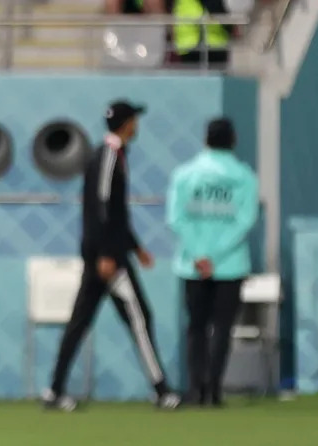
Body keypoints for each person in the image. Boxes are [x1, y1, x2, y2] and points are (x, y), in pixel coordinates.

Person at [42, 100, 181, 412]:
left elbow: (116, 211)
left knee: (79, 322)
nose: (137, 125)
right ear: (127, 123)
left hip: (106, 252)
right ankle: (161, 390)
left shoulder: (114, 155)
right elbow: (102, 205)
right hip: (109, 259)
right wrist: (108, 253)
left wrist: (136, 246)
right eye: (134, 120)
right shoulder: (108, 155)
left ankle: (54, 390)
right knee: (140, 318)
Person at [166, 117, 258, 407]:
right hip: (229, 265)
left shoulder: (185, 174)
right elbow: (245, 220)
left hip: (193, 265)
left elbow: (176, 217)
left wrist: (200, 255)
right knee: (222, 328)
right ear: (233, 140)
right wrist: (216, 255)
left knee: (196, 327)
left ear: (205, 139)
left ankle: (196, 388)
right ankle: (214, 390)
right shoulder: (244, 177)